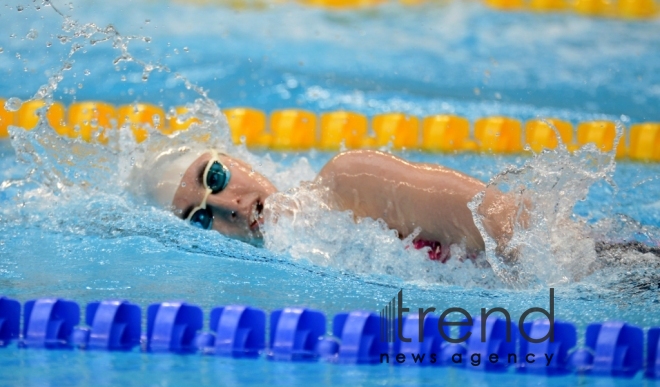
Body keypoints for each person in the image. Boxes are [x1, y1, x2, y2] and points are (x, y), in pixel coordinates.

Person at [133, 145, 526, 261]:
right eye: (199, 219)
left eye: (214, 177)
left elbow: (520, 233)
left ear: (232, 157)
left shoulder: (352, 180)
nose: (229, 208)